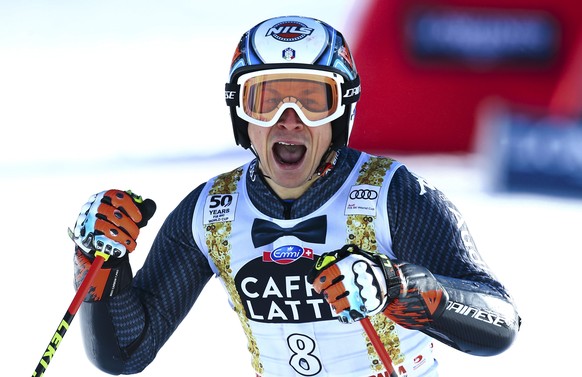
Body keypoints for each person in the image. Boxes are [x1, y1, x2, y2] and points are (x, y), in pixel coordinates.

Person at [70, 15, 521, 377]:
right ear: (241, 115)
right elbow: (126, 351)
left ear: (341, 111)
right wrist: (99, 263)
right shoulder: (210, 212)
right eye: (265, 100)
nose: (290, 120)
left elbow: (499, 324)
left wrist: (399, 287)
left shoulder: (395, 195)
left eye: (312, 100)